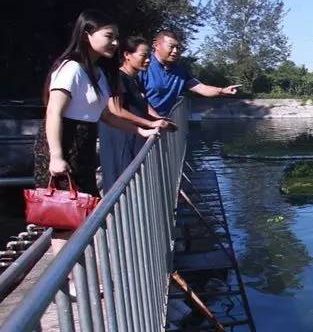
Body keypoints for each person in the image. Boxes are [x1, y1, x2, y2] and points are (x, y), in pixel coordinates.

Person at [34, 12, 158, 236]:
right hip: (64, 145)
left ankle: (76, 269)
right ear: (86, 35)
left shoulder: (98, 72)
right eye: (109, 36)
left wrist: (140, 130)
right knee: (66, 219)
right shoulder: (71, 68)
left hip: (84, 149)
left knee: (83, 214)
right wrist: (56, 156)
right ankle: (69, 270)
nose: (115, 43)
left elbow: (105, 115)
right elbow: (53, 112)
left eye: (117, 38)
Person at [100, 36, 173, 191]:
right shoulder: (118, 77)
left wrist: (159, 118)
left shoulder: (134, 79)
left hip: (133, 137)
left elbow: (142, 104)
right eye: (143, 56)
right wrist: (150, 124)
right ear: (127, 55)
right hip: (119, 138)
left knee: (136, 182)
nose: (147, 60)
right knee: (121, 182)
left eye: (148, 56)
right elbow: (116, 110)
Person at [139, 29, 241, 117]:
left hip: (159, 127)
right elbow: (137, 98)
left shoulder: (179, 71)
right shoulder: (142, 65)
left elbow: (201, 88)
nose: (175, 51)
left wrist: (222, 90)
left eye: (178, 48)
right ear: (156, 45)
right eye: (171, 46)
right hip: (136, 126)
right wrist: (156, 119)